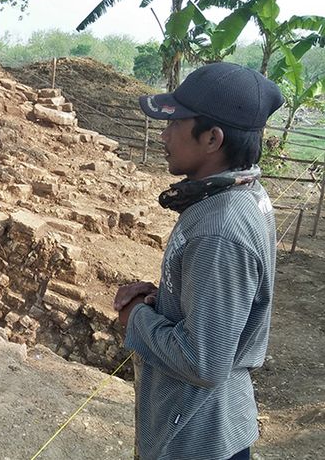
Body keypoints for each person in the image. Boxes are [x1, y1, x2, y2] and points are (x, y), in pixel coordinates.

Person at [113, 62, 284, 460]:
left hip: (193, 437)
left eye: (175, 124)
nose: (164, 135)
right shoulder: (243, 197)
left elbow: (202, 361)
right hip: (205, 427)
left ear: (212, 138)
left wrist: (136, 316)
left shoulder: (220, 229)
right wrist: (169, 301)